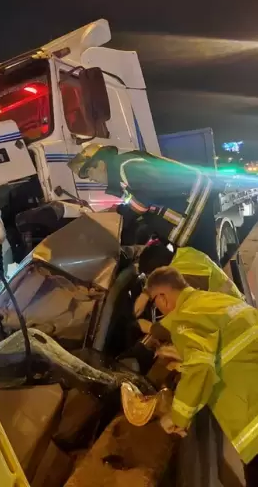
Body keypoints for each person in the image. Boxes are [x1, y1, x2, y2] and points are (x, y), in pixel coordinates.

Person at [146, 266, 258, 485]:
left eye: (154, 301)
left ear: (162, 297)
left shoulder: (184, 318)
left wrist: (176, 416)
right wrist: (185, 355)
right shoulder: (216, 301)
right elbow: (224, 345)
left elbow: (200, 369)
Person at [68, 145, 220, 262]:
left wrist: (124, 216)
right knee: (198, 260)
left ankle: (221, 297)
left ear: (100, 164)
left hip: (197, 202)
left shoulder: (125, 165)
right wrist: (119, 213)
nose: (91, 179)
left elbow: (148, 192)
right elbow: (141, 199)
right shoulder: (122, 174)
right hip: (192, 204)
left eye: (89, 173)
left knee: (203, 260)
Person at [134, 240, 242, 318]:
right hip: (234, 304)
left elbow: (180, 320)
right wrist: (146, 293)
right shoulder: (185, 253)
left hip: (231, 315)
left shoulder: (185, 280)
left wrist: (150, 328)